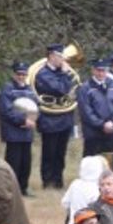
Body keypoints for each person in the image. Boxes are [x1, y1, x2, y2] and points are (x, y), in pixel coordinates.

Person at [34, 44, 77, 190]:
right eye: (60, 56)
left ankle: (58, 181)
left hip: (64, 118)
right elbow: (61, 90)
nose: (63, 60)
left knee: (60, 153)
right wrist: (65, 75)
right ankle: (47, 182)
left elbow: (72, 90)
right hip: (49, 119)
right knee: (49, 153)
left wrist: (65, 77)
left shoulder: (62, 72)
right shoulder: (43, 74)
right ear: (51, 56)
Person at [0, 61, 37, 195]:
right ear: (14, 74)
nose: (21, 76)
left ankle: (24, 188)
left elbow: (35, 106)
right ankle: (11, 189)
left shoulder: (29, 89)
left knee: (26, 162)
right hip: (13, 132)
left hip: (27, 132)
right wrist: (22, 120)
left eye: (24, 74)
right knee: (14, 162)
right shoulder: (7, 89)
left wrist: (33, 119)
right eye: (19, 74)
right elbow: (7, 111)